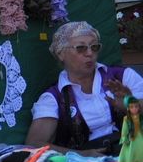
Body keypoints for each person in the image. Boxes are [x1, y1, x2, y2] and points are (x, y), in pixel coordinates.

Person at [27, 21, 143, 153]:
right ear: (60, 53)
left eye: (94, 47)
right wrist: (81, 155)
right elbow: (34, 144)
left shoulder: (122, 77)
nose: (89, 53)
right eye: (81, 48)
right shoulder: (53, 98)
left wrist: (131, 104)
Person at [116, 96, 143, 162]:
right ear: (128, 108)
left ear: (139, 107)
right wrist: (124, 138)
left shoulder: (141, 117)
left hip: (141, 136)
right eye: (132, 107)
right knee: (131, 152)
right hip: (132, 138)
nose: (134, 109)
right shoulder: (126, 119)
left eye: (136, 106)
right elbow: (124, 130)